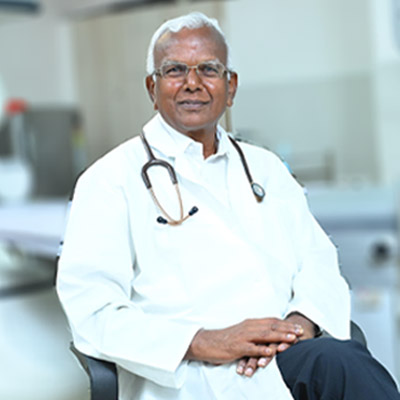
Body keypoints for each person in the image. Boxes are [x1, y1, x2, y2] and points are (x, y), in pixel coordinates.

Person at [57, 12, 400, 400]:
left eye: (208, 69)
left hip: (290, 358)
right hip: (194, 376)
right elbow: (93, 311)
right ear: (152, 88)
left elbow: (317, 259)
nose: (192, 83)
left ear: (230, 86)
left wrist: (301, 322)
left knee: (340, 362)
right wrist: (204, 341)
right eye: (174, 70)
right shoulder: (110, 180)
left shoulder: (265, 168)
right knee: (343, 366)